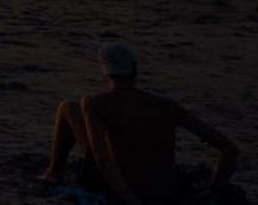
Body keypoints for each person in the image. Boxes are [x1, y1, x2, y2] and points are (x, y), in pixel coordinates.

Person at [41, 42, 241, 204]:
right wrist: (215, 190)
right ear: (135, 69)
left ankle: (53, 172)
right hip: (165, 189)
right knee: (70, 107)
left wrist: (130, 200)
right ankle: (54, 172)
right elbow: (230, 150)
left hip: (122, 186)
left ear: (106, 73)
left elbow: (102, 158)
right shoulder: (166, 105)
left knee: (67, 108)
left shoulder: (95, 103)